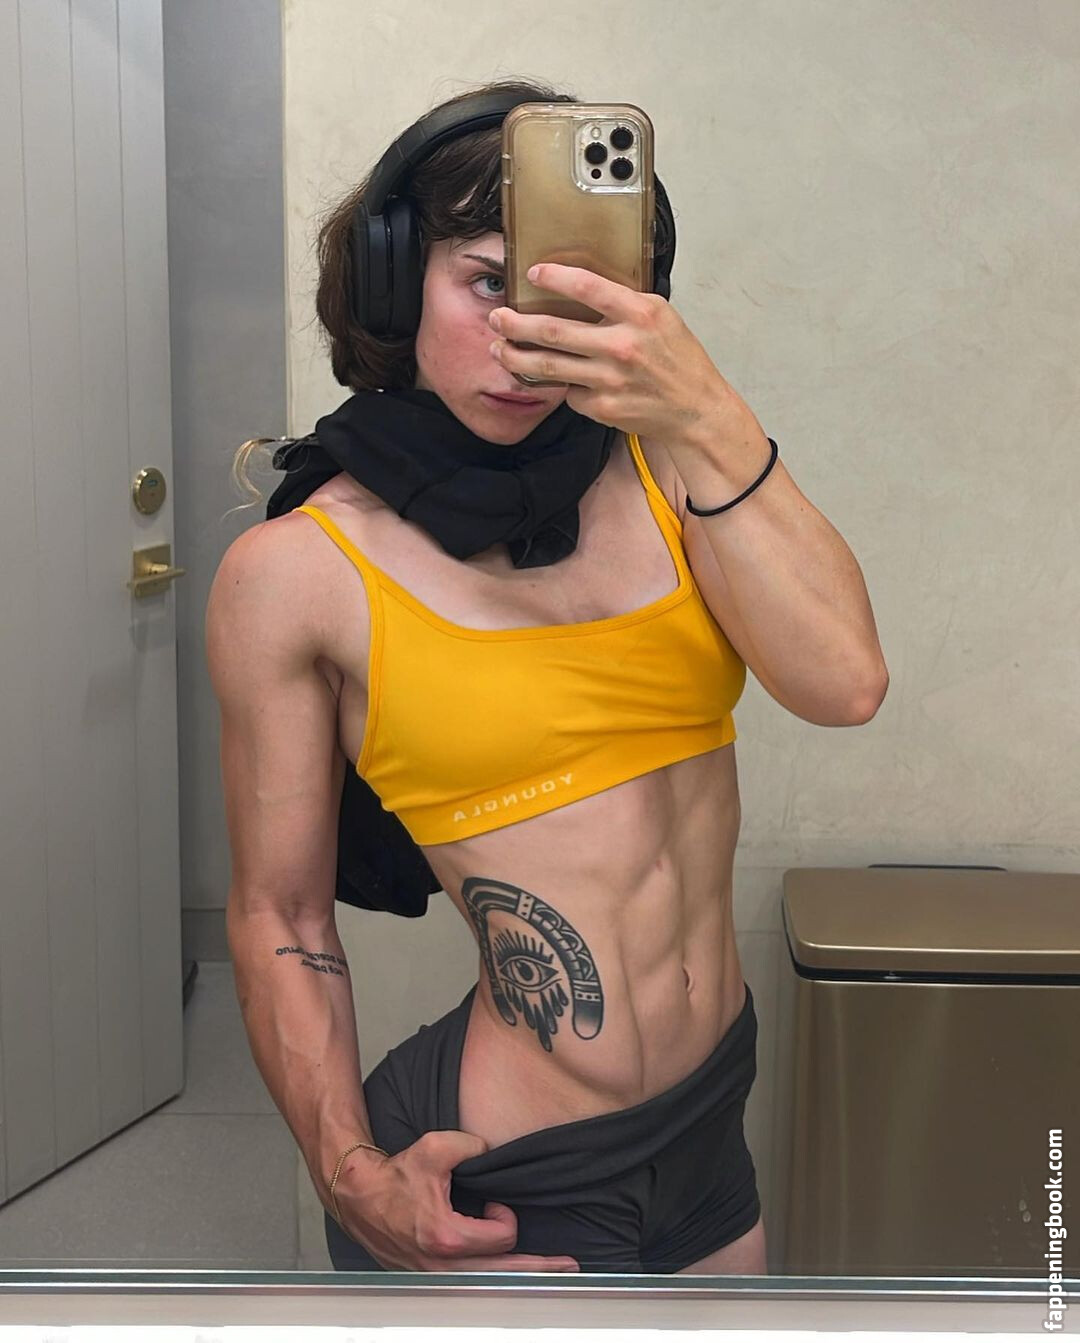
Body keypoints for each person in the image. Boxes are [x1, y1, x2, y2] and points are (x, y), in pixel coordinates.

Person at [206, 78, 888, 1275]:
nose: (529, 338)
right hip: (520, 1166)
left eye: (575, 292)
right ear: (394, 281)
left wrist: (704, 407)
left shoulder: (672, 473)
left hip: (710, 1118)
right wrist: (349, 1169)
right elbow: (282, 915)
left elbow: (846, 684)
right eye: (488, 282)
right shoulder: (297, 572)